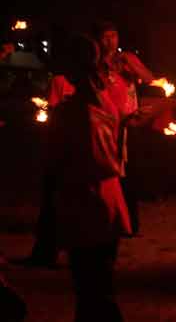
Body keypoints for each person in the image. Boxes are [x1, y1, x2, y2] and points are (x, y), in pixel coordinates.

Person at [49, 35, 150, 322]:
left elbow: (57, 163)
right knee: (101, 287)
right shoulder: (106, 100)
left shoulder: (69, 112)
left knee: (90, 291)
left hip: (85, 202)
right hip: (110, 201)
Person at [92, 20, 155, 236]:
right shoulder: (96, 64)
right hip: (107, 126)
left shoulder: (126, 60)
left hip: (130, 125)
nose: (111, 40)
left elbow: (149, 78)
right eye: (106, 36)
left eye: (114, 35)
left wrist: (131, 64)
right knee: (111, 176)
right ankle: (110, 221)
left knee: (130, 177)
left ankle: (130, 224)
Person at [11, 73, 76, 269]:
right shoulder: (96, 81)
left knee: (54, 202)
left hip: (64, 152)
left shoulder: (62, 81)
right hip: (75, 151)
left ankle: (47, 253)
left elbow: (56, 111)